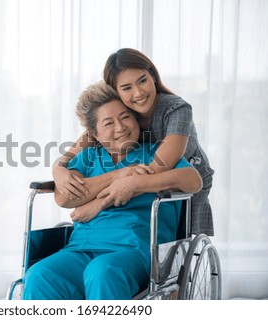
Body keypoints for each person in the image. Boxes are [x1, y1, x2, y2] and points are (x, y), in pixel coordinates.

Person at [22, 81, 202, 300]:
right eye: (108, 123)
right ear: (94, 134)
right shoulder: (87, 158)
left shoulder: (156, 155)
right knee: (40, 274)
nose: (120, 127)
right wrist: (119, 175)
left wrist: (135, 183)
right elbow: (64, 198)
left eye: (125, 117)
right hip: (81, 248)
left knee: (102, 272)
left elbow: (193, 181)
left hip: (134, 249)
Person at [53, 48, 214, 236]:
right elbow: (77, 148)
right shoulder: (125, 109)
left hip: (179, 172)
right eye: (127, 88)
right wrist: (58, 170)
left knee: (178, 238)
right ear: (118, 91)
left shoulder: (177, 110)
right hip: (140, 172)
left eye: (142, 81)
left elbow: (156, 169)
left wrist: (97, 204)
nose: (138, 93)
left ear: (153, 76)